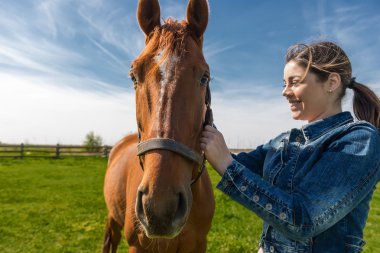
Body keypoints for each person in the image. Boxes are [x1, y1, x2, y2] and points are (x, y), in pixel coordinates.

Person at [200, 41, 380, 253]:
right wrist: (202, 120)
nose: (285, 92)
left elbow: (304, 219)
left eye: (294, 82)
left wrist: (227, 165)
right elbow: (234, 163)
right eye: (283, 84)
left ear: (331, 82)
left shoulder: (359, 139)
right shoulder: (283, 141)